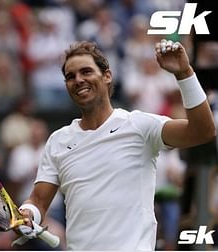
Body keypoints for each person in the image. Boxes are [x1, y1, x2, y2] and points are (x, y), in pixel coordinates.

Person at [16, 40, 215, 250]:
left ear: (107, 76)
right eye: (70, 76)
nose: (78, 80)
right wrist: (28, 213)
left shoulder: (140, 125)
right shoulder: (58, 141)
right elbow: (38, 200)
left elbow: (203, 131)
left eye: (86, 72)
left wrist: (184, 73)